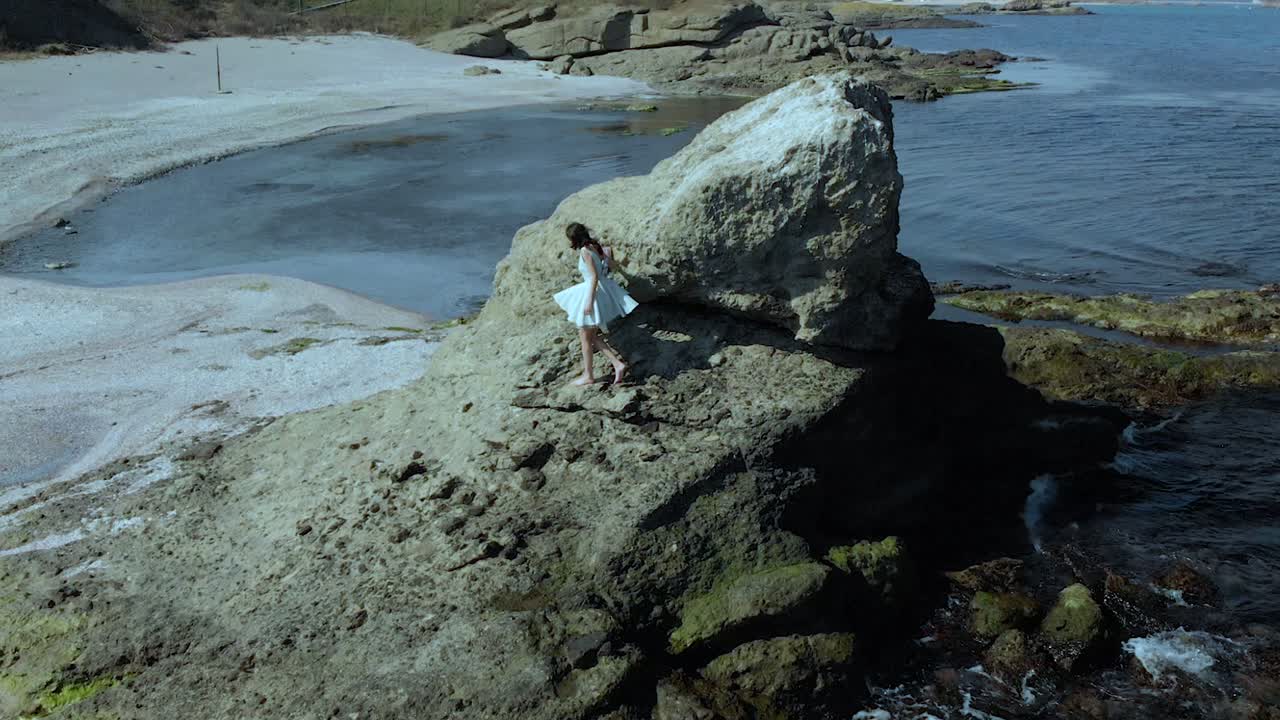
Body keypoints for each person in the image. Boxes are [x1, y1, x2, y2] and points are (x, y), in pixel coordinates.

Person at [553, 222, 638, 386]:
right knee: (590, 336)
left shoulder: (585, 251)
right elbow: (610, 266)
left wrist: (589, 302)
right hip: (601, 290)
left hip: (593, 292)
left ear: (573, 238)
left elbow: (593, 277)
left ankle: (589, 375)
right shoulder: (595, 247)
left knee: (585, 337)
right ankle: (617, 364)